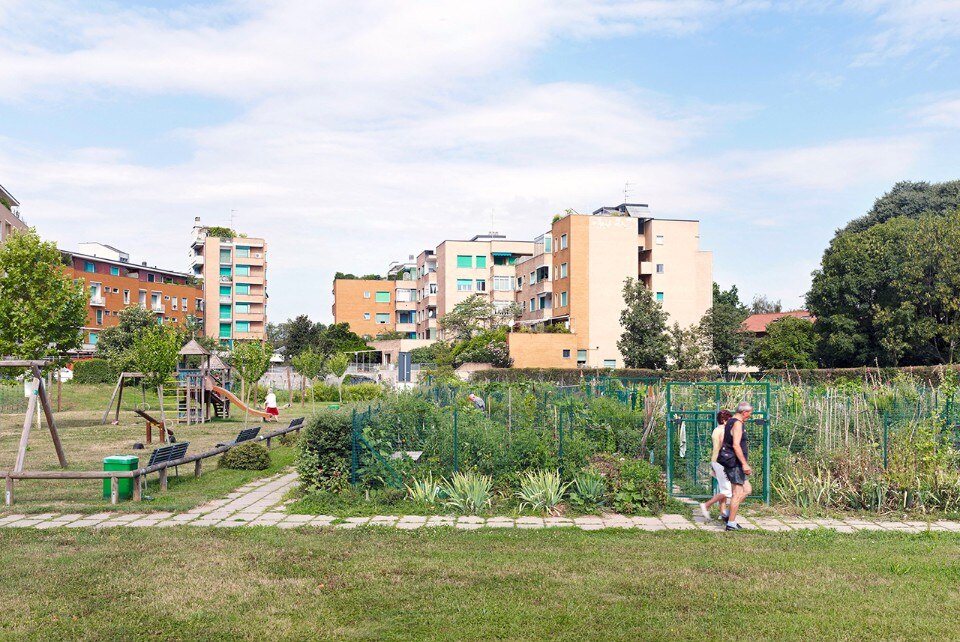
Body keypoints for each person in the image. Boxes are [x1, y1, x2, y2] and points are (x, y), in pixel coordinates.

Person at [717, 401, 753, 532]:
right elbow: (736, 445)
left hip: (734, 463)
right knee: (737, 494)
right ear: (744, 412)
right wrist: (744, 464)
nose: (750, 416)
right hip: (736, 463)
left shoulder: (731, 421)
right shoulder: (737, 423)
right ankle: (731, 523)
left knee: (747, 489)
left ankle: (727, 513)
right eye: (750, 413)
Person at [699, 409, 733, 522]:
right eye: (729, 420)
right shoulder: (723, 431)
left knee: (723, 488)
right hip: (722, 461)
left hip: (715, 460)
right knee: (728, 490)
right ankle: (707, 505)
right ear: (724, 420)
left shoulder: (715, 430)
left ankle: (723, 513)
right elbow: (724, 446)